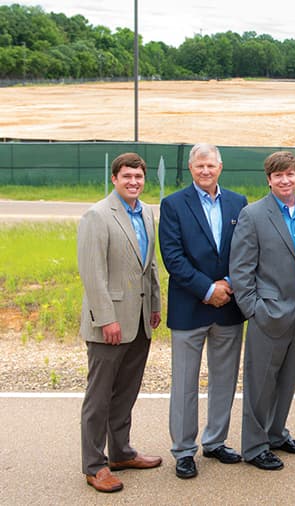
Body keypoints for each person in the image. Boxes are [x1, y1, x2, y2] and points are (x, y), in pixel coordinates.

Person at [159, 143, 248, 479]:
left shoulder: (238, 203)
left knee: (224, 380)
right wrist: (208, 289)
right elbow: (173, 257)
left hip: (228, 306)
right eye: (199, 166)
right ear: (191, 168)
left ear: (220, 167)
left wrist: (227, 284)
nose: (205, 171)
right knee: (185, 384)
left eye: (210, 166)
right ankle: (183, 450)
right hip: (189, 307)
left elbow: (244, 250)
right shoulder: (173, 204)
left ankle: (215, 441)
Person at [77, 152, 162, 493]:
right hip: (109, 325)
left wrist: (155, 304)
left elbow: (149, 265)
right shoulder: (97, 215)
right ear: (114, 178)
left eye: (138, 177)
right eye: (127, 176)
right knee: (99, 398)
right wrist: (106, 319)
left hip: (140, 320)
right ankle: (94, 465)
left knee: (125, 393)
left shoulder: (146, 213)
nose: (133, 182)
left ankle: (122, 452)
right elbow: (92, 272)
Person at [229, 151, 295, 471]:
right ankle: (254, 446)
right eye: (278, 175)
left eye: (290, 174)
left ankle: (277, 434)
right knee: (260, 384)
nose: (285, 180)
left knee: (288, 380)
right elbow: (240, 270)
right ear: (269, 179)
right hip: (268, 313)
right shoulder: (253, 214)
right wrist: (254, 309)